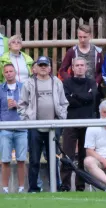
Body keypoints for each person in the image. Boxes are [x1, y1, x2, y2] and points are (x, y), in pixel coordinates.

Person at [18, 56, 69, 192]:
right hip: (35, 127)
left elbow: (64, 103)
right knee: (34, 159)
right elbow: (22, 104)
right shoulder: (28, 83)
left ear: (50, 68)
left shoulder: (57, 82)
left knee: (54, 159)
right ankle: (34, 188)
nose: (43, 68)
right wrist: (27, 120)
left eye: (45, 65)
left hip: (53, 126)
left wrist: (61, 119)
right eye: (40, 65)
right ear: (35, 68)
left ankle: (55, 186)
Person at [59, 57, 101, 192]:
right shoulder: (66, 83)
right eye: (77, 65)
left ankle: (80, 186)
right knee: (67, 155)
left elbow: (91, 98)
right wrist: (82, 98)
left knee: (84, 156)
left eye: (82, 65)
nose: (80, 67)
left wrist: (75, 95)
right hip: (70, 122)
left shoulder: (92, 82)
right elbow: (68, 100)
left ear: (86, 67)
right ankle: (65, 185)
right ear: (72, 67)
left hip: (88, 123)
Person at [0, 64, 26, 193]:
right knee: (5, 160)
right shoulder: (0, 89)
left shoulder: (24, 88)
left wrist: (18, 105)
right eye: (6, 72)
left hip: (22, 128)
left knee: (21, 160)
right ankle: (4, 189)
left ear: (15, 72)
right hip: (5, 128)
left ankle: (21, 188)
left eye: (11, 71)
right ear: (3, 74)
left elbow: (29, 106)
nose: (9, 73)